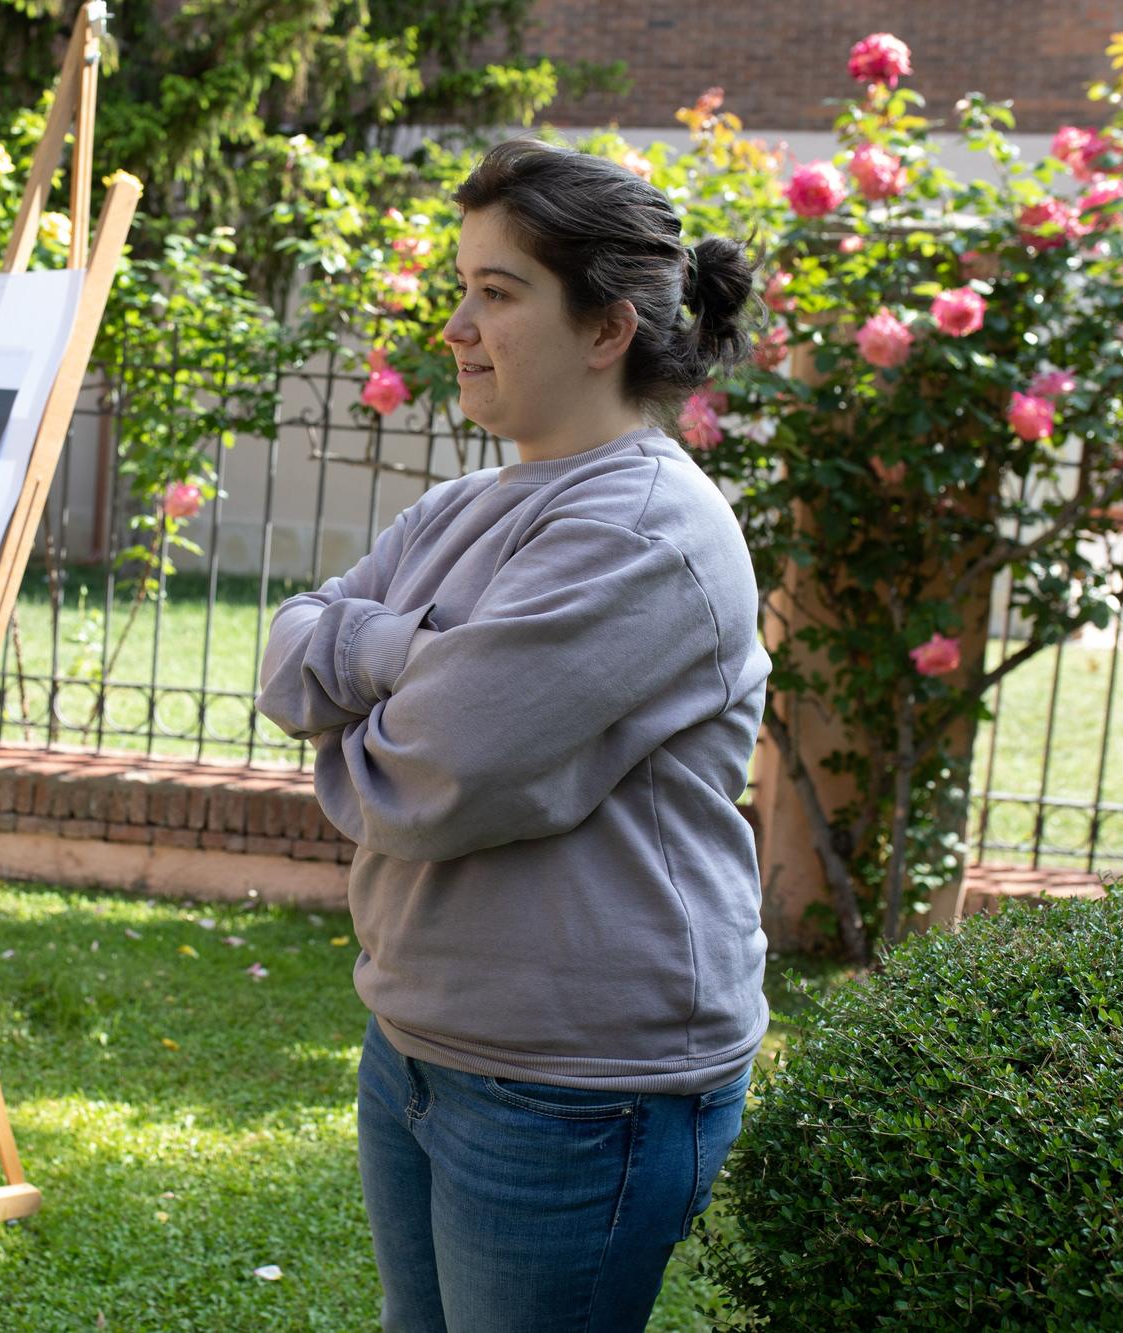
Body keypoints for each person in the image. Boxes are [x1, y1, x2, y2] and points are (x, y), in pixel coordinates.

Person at [254, 138, 772, 1332]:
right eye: (459, 289)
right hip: (419, 1039)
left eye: (496, 293)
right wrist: (415, 653)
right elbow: (286, 659)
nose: (455, 326)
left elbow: (420, 780)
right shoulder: (460, 507)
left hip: (577, 1087)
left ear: (606, 329)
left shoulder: (647, 530)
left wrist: (373, 674)